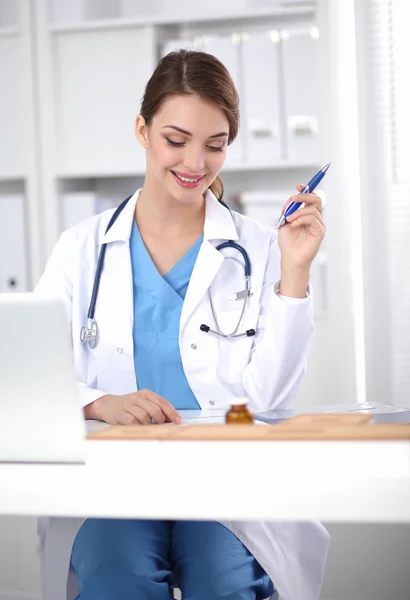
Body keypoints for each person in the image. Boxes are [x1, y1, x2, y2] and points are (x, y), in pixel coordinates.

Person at [35, 49, 329, 600]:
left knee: (221, 582)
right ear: (142, 130)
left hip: (225, 475)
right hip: (115, 476)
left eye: (215, 145)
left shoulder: (261, 248)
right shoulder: (81, 250)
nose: (196, 162)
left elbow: (267, 399)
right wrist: (99, 402)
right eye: (176, 140)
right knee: (117, 577)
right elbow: (27, 374)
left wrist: (294, 271)